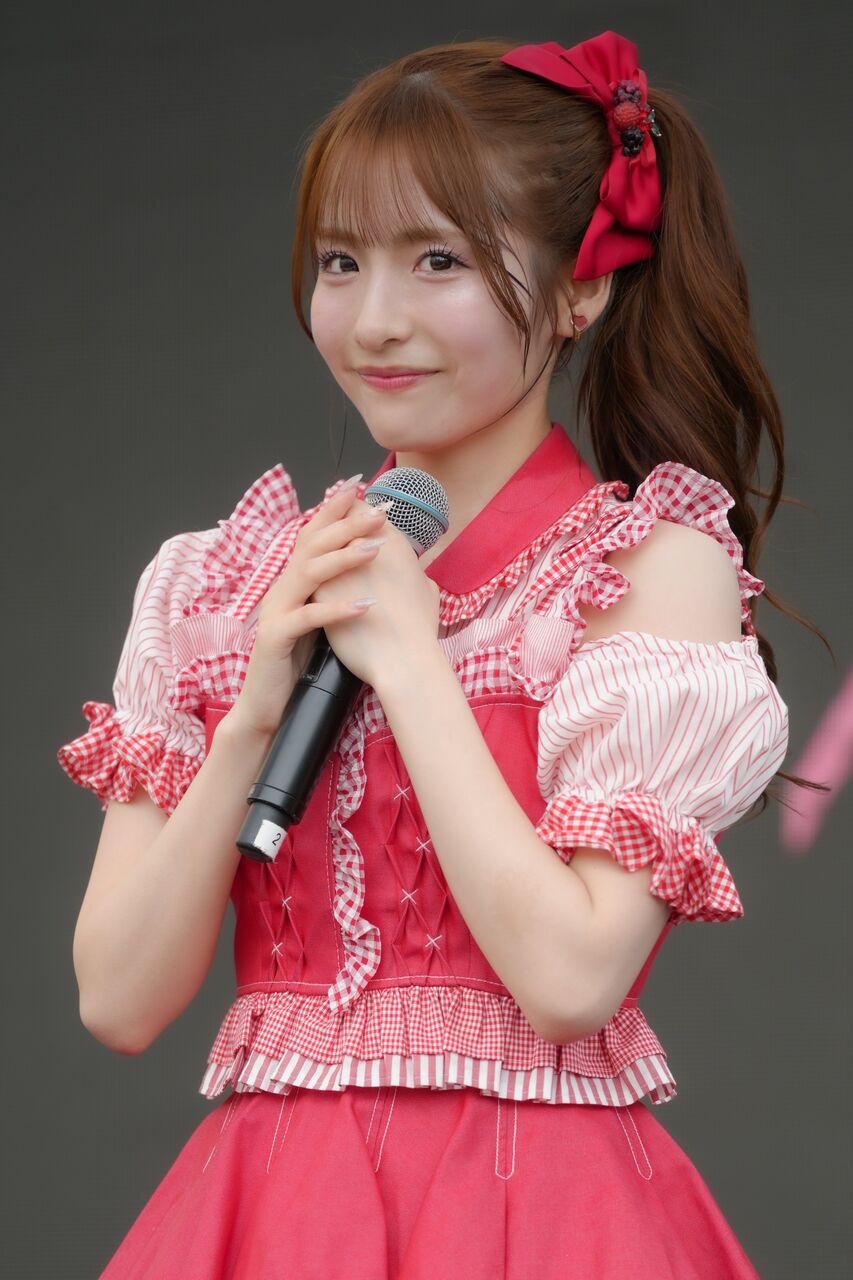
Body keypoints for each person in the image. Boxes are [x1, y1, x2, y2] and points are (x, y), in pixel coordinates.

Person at [57, 28, 819, 1279]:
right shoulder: (218, 585)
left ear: (579, 291)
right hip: (274, 1221)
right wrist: (253, 713)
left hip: (542, 1220)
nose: (374, 320)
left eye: (438, 260)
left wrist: (411, 663)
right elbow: (119, 999)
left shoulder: (640, 575)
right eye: (340, 261)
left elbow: (570, 978)